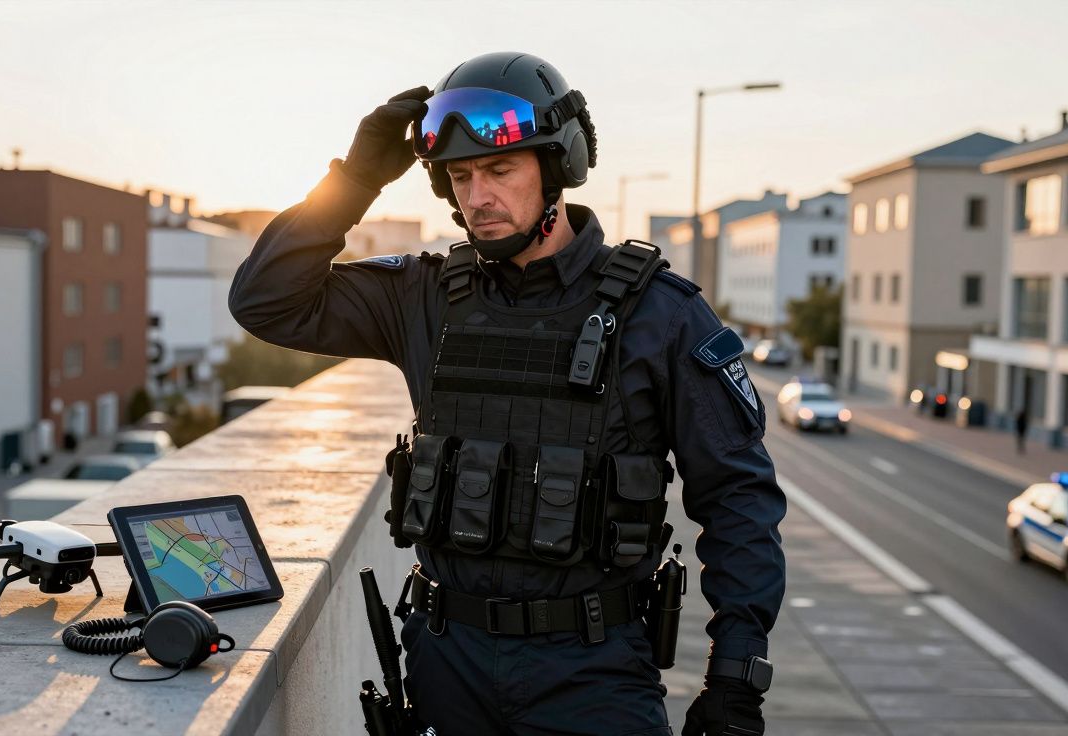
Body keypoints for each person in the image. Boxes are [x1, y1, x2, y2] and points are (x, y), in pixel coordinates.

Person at [229, 51, 786, 736]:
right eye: (460, 176)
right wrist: (355, 181)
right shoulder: (425, 296)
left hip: (592, 674)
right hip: (445, 664)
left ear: (556, 168)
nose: (477, 197)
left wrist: (736, 677)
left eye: (499, 170)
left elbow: (737, 497)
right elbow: (265, 301)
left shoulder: (659, 314)